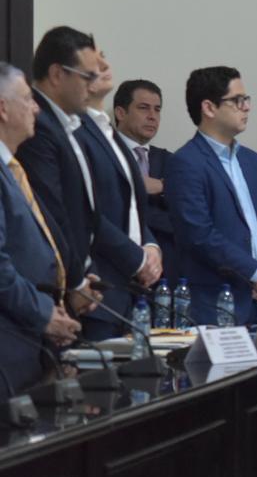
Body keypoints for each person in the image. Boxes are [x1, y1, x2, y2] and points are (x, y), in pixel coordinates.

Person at [166, 67, 257, 326]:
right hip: (215, 303)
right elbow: (200, 235)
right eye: (237, 100)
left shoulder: (253, 161)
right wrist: (256, 273)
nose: (247, 107)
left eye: (246, 99)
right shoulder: (186, 162)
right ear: (209, 108)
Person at [0, 63, 81, 397]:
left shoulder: (13, 168)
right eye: (27, 99)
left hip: (28, 341)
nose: (36, 108)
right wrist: (43, 313)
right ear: (3, 108)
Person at [75, 51, 162, 339]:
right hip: (101, 290)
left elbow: (131, 208)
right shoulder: (76, 132)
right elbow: (87, 212)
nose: (105, 65)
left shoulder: (110, 135)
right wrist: (138, 259)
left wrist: (151, 246)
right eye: (95, 61)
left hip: (133, 293)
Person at [17, 26, 103, 313]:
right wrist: (75, 281)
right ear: (57, 74)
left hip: (75, 279)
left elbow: (85, 214)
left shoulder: (70, 126)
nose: (93, 87)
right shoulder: (38, 128)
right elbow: (52, 212)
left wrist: (84, 274)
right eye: (87, 77)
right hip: (49, 287)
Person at [113, 79, 176, 269]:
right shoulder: (105, 154)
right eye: (143, 108)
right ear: (120, 113)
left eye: (157, 110)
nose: (152, 116)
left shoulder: (171, 160)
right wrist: (137, 184)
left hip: (165, 267)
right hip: (116, 263)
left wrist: (163, 186)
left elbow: (182, 216)